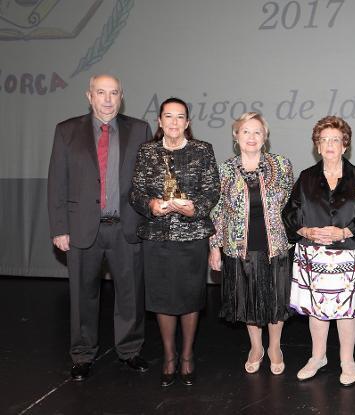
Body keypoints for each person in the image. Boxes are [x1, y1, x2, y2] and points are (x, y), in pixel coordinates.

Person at [47, 74, 152, 381]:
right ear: (89, 95)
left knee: (131, 294)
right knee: (82, 296)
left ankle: (130, 351)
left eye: (114, 93)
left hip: (127, 227)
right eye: (101, 92)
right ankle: (82, 355)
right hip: (81, 228)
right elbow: (57, 183)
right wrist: (59, 228)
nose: (108, 98)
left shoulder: (140, 129)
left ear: (122, 96)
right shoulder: (67, 130)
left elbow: (146, 181)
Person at [130, 97, 219, 387]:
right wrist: (152, 204)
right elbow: (136, 192)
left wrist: (196, 208)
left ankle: (187, 355)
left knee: (191, 296)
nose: (174, 122)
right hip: (157, 237)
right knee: (162, 298)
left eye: (180, 117)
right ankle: (169, 356)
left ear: (188, 122)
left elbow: (211, 191)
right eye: (168, 116)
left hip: (191, 236)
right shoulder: (147, 151)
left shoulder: (202, 150)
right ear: (159, 121)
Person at [282, 115, 355, 386]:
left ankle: (348, 361)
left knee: (346, 311)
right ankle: (317, 357)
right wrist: (306, 232)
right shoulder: (306, 177)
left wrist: (344, 231)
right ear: (317, 146)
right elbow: (289, 212)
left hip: (348, 251)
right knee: (316, 309)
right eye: (324, 140)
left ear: (345, 145)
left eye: (336, 139)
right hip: (312, 252)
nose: (330, 144)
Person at [209, 112, 294, 376]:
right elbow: (217, 210)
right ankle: (256, 347)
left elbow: (292, 205)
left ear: (265, 137)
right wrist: (215, 246)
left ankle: (275, 348)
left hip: (276, 245)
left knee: (276, 299)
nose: (251, 137)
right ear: (236, 136)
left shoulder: (281, 165)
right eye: (245, 131)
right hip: (239, 246)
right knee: (248, 300)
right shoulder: (224, 169)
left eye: (257, 131)